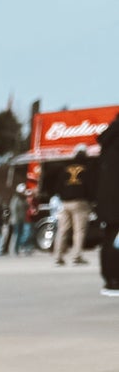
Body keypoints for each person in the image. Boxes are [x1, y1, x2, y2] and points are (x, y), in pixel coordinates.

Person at [52, 153, 94, 265]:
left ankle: (58, 256)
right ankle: (76, 257)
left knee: (62, 229)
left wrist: (63, 196)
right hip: (80, 202)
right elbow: (91, 186)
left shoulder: (65, 169)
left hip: (65, 202)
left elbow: (57, 186)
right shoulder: (87, 169)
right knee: (79, 230)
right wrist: (91, 200)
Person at [94, 119, 119, 298]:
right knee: (114, 241)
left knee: (110, 238)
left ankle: (110, 279)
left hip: (106, 201)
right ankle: (114, 280)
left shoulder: (108, 141)